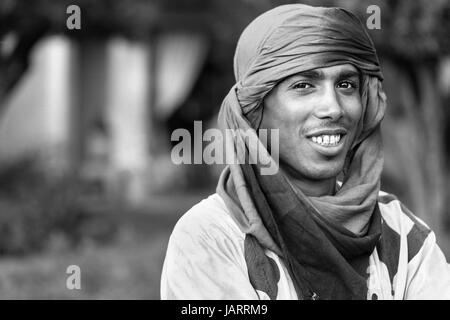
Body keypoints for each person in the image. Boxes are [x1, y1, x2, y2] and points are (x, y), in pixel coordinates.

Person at [160, 4, 450, 300]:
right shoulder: (211, 237)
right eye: (303, 85)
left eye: (346, 84)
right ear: (255, 110)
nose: (333, 108)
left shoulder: (401, 232)